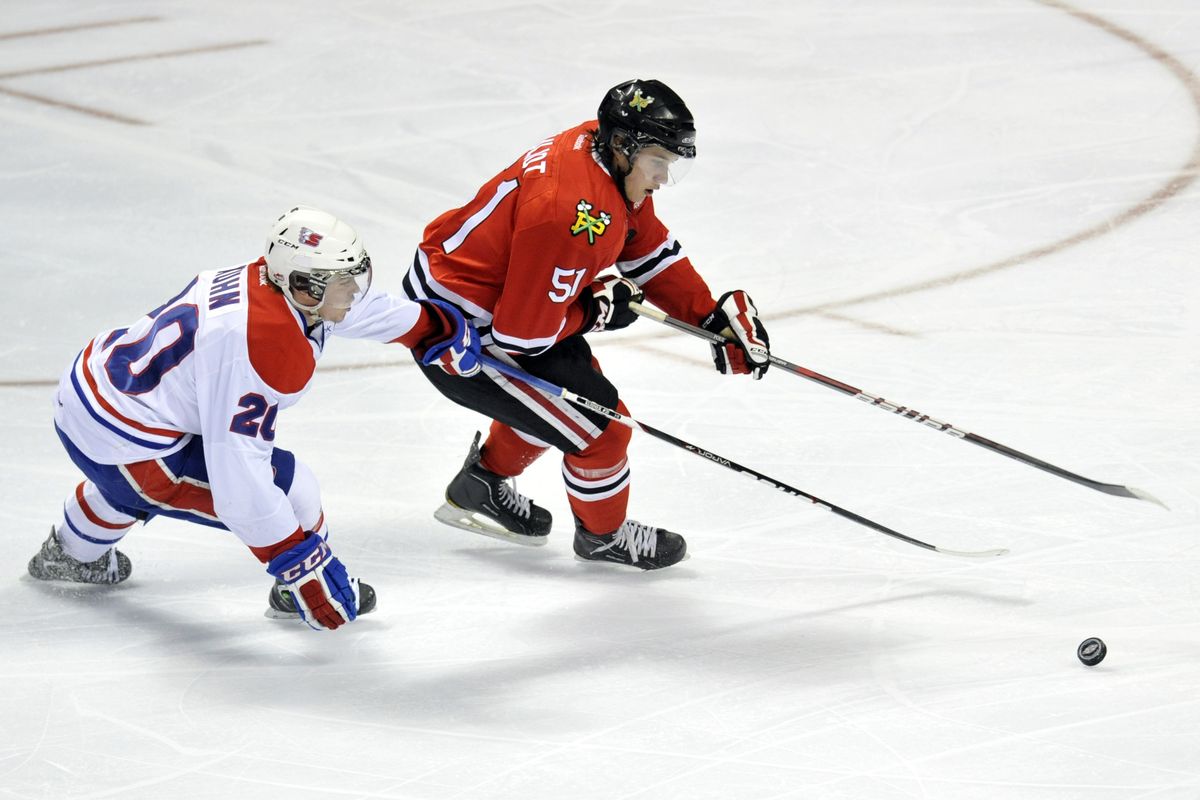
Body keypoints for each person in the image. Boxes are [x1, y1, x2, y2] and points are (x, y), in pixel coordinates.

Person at [27, 206, 481, 630]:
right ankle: (294, 594)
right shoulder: (266, 344)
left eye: (353, 276)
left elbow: (347, 308)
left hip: (92, 399)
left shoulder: (271, 281)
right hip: (128, 443)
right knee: (292, 487)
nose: (353, 291)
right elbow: (239, 478)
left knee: (132, 481)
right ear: (303, 286)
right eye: (341, 282)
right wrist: (300, 565)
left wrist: (429, 328)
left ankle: (71, 553)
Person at [401, 78, 771, 570]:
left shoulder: (598, 150)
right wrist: (597, 310)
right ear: (623, 146)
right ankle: (604, 536)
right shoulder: (571, 214)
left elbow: (645, 245)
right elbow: (522, 336)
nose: (662, 177)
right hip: (462, 333)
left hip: (491, 300)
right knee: (602, 428)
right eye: (658, 161)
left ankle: (480, 485)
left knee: (563, 406)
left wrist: (706, 316)